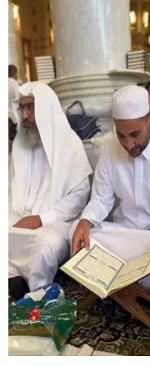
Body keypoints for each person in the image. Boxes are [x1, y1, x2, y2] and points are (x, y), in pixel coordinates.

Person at [70, 85, 150, 304]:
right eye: (121, 135)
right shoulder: (108, 149)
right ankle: (145, 283)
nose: (128, 144)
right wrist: (86, 221)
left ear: (149, 118)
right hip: (125, 236)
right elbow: (101, 199)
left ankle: (122, 282)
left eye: (135, 135)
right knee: (76, 231)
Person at [9, 82, 92, 298]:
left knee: (44, 246)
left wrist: (41, 219)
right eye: (23, 108)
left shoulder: (70, 144)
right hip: (18, 217)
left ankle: (36, 291)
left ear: (46, 108)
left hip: (55, 223)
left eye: (31, 107)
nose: (25, 115)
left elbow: (79, 196)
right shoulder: (21, 144)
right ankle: (14, 278)